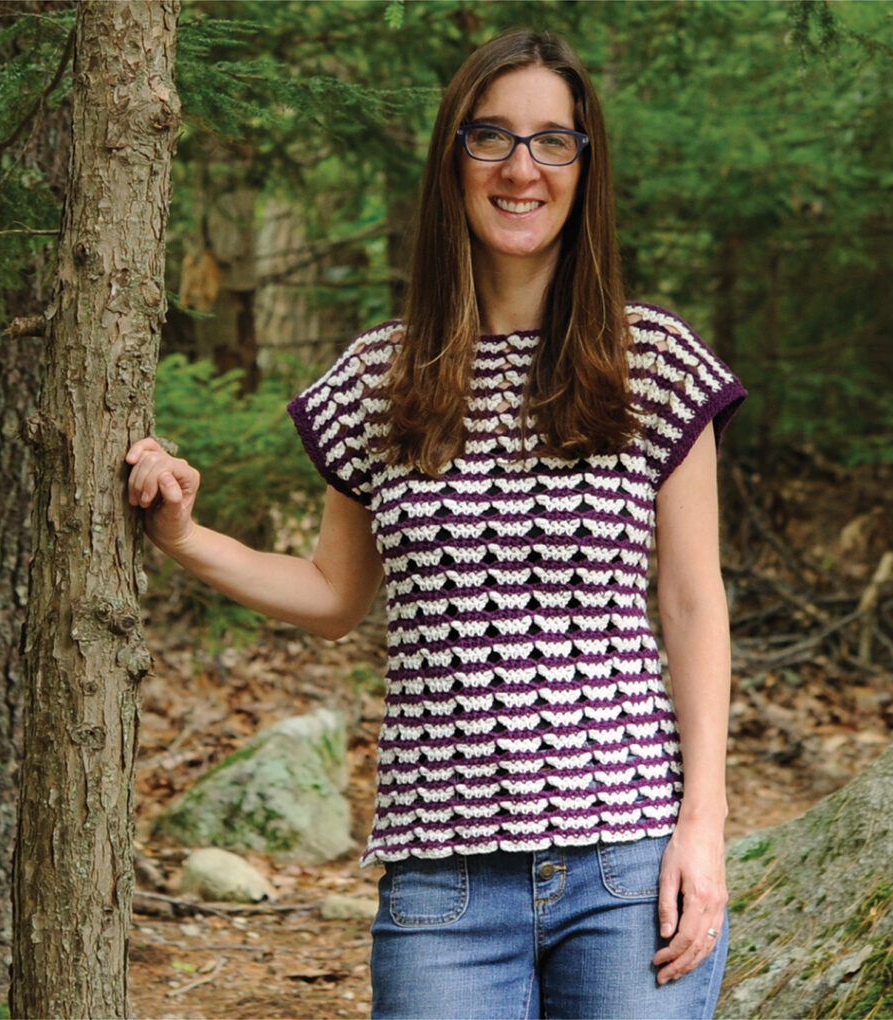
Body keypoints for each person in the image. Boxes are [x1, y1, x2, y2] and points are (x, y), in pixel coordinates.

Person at [127, 27, 746, 1020]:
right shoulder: (380, 378)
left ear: (585, 168)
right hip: (443, 890)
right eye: (490, 136)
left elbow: (690, 602)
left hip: (628, 866)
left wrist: (703, 829)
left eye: (553, 141)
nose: (520, 168)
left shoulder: (653, 362)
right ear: (450, 160)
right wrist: (184, 538)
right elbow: (334, 596)